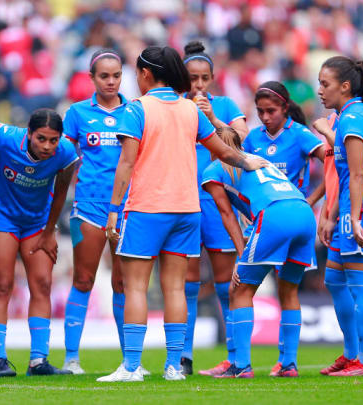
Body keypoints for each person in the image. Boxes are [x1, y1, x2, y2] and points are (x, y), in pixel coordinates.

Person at [98, 46, 265, 382]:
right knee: (175, 288)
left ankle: (131, 367)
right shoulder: (191, 110)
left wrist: (114, 211)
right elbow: (222, 150)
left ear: (146, 74)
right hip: (187, 209)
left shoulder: (137, 109)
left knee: (135, 288)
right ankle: (174, 365)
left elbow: (126, 164)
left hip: (147, 208)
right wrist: (248, 161)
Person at [202, 127, 317, 378]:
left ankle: (241, 365)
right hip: (305, 213)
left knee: (239, 289)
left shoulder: (214, 169)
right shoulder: (260, 160)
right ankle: (289, 364)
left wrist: (241, 255)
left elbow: (226, 215)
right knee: (289, 290)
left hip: (274, 215)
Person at [60, 49, 145, 375]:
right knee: (83, 279)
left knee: (123, 283)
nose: (111, 81)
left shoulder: (136, 111)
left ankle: (129, 361)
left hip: (129, 207)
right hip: (89, 206)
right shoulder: (78, 113)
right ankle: (71, 359)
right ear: (92, 78)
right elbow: (64, 157)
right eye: (104, 76)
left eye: (116, 76)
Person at [0, 109, 79, 377]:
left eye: (53, 140)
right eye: (41, 139)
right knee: (2, 285)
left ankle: (38, 361)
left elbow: (61, 193)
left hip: (37, 222)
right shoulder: (4, 137)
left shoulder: (66, 153)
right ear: (28, 133)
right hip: (2, 217)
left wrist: (50, 231)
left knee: (42, 284)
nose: (48, 146)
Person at [241, 81, 325, 375]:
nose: (265, 117)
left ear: (285, 109)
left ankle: (278, 361)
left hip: (289, 217)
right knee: (284, 290)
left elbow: (331, 162)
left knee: (268, 288)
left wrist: (313, 199)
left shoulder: (301, 135)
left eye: (271, 111)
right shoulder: (252, 139)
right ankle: (285, 362)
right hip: (268, 220)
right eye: (260, 111)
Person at [317, 56, 363, 376]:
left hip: (362, 210)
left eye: (325, 84)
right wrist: (332, 214)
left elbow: (357, 175)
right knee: (334, 279)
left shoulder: (351, 120)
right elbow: (346, 171)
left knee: (360, 286)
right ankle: (351, 355)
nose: (320, 91)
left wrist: (354, 218)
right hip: (352, 208)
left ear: (345, 86)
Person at [181, 40, 248, 377]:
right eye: (193, 78)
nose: (199, 85)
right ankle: (184, 356)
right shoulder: (174, 105)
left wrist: (212, 119)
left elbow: (241, 138)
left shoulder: (223, 104)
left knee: (226, 282)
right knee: (188, 283)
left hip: (216, 199)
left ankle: (236, 355)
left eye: (204, 78)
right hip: (183, 200)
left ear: (212, 78)